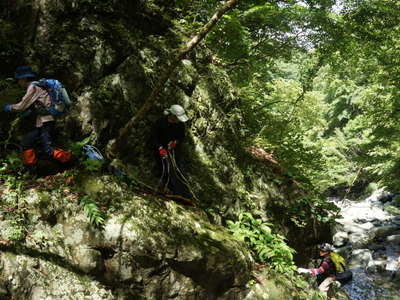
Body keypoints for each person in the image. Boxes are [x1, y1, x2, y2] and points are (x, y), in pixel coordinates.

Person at [2, 66, 71, 174]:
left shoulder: (33, 87)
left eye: (19, 80)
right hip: (40, 122)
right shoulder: (38, 86)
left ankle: (71, 161)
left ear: (24, 79)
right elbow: (37, 105)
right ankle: (32, 169)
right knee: (26, 143)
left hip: (46, 121)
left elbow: (22, 106)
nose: (18, 83)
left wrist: (8, 107)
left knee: (48, 149)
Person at [151, 104, 191, 199]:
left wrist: (175, 142)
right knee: (169, 167)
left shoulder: (180, 125)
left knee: (181, 167)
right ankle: (175, 191)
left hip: (174, 149)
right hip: (161, 149)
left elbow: (181, 137)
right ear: (173, 116)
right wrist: (160, 148)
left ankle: (184, 193)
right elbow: (154, 137)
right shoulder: (161, 122)